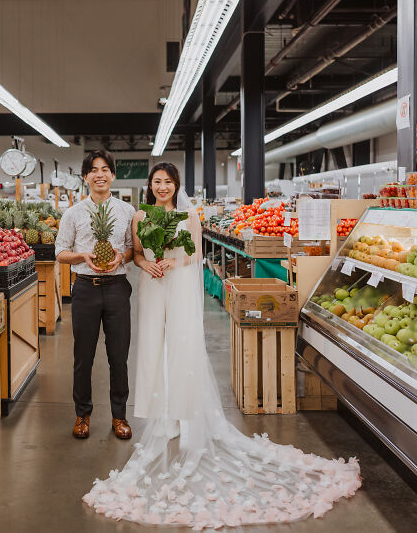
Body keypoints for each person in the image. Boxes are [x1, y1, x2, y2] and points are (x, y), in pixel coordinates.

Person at [83, 163, 361, 529]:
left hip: (179, 280)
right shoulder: (140, 216)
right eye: (156, 182)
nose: (162, 186)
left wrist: (172, 259)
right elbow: (136, 253)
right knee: (152, 346)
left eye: (167, 182)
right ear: (149, 186)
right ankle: (161, 413)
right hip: (152, 284)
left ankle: (185, 410)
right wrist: (145, 264)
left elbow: (195, 254)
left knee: (182, 343)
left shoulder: (190, 215)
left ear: (176, 185)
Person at [55, 150, 137, 441]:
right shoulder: (73, 213)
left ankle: (119, 416)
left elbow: (131, 248)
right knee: (83, 357)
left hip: (116, 287)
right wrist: (82, 256)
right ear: (86, 177)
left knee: (119, 357)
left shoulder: (127, 211)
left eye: (105, 169)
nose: (100, 174)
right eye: (93, 170)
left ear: (113, 175)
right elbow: (60, 252)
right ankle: (82, 414)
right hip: (86, 288)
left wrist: (121, 258)